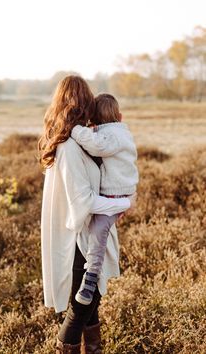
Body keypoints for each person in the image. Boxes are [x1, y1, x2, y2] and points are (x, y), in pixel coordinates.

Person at [38, 76, 136, 354]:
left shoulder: (79, 141)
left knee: (91, 308)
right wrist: (122, 204)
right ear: (80, 105)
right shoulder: (68, 147)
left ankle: (93, 349)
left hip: (88, 237)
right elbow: (83, 201)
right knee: (80, 310)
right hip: (78, 242)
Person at [71, 93, 139, 306]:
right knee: (98, 231)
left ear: (94, 120)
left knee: (98, 233)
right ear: (120, 115)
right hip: (120, 192)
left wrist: (75, 129)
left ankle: (90, 277)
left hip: (116, 194)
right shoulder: (120, 132)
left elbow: (97, 146)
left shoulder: (112, 136)